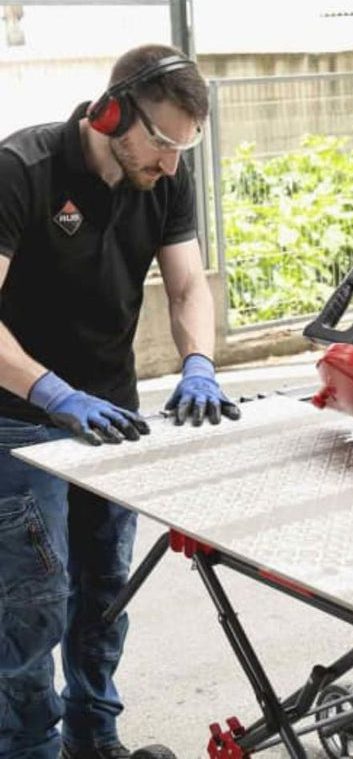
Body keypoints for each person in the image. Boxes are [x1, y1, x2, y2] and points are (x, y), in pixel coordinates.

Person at [0, 44, 241, 759]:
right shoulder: (21, 171)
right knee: (31, 607)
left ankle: (94, 738)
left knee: (105, 597)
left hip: (110, 419)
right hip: (15, 422)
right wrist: (48, 389)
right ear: (112, 113)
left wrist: (198, 362)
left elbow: (190, 285)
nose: (171, 164)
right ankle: (27, 748)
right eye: (163, 142)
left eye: (183, 148)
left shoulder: (166, 178)